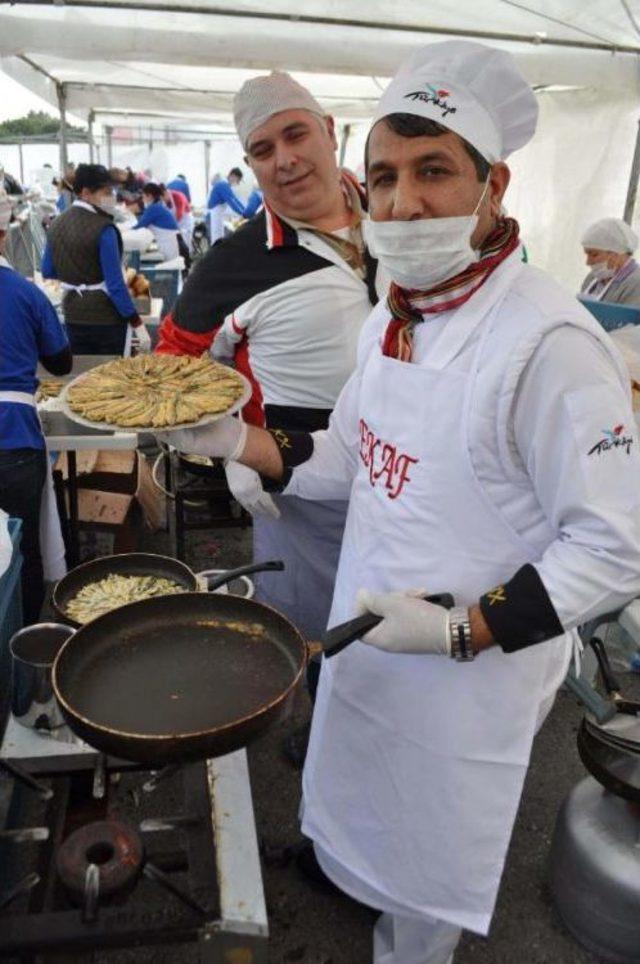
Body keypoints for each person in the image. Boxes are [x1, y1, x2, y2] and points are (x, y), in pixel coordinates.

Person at [162, 41, 640, 963]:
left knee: (428, 856)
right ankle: (348, 874)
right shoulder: (397, 311)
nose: (402, 202)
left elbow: (615, 546)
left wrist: (461, 631)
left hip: (472, 668)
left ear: (492, 183)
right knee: (358, 783)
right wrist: (238, 442)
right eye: (383, 178)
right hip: (367, 624)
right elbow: (348, 451)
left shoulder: (548, 342)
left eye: (434, 173)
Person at [156, 70, 381, 649]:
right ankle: (315, 735)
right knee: (311, 629)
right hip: (302, 485)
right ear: (251, 166)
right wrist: (232, 441)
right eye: (263, 150)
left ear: (330, 133)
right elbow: (167, 370)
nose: (284, 159)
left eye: (295, 135)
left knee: (405, 626)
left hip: (417, 472)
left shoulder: (401, 218)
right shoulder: (233, 262)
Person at [0, 190, 72, 624]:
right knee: (23, 550)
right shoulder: (25, 295)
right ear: (5, 235)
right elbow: (61, 361)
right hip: (14, 440)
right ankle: (23, 661)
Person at [42, 164, 151, 355]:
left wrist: (75, 271)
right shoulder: (104, 229)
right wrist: (137, 323)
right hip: (105, 319)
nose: (112, 197)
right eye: (106, 191)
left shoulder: (56, 224)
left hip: (73, 315)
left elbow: (47, 270)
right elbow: (115, 285)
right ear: (85, 192)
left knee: (82, 376)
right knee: (108, 378)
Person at [580, 217, 640, 304]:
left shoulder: (636, 284)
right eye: (587, 254)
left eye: (594, 255)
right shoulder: (592, 278)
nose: (588, 262)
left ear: (616, 254)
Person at [133, 182, 189, 264]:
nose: (142, 199)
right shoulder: (158, 206)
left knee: (171, 268)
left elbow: (140, 226)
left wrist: (125, 231)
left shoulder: (154, 208)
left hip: (168, 244)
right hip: (171, 242)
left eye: (143, 196)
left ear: (150, 196)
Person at [206, 167, 246, 243]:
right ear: (233, 175)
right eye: (238, 180)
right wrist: (244, 214)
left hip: (218, 215)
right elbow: (232, 203)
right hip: (214, 214)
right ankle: (215, 255)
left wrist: (246, 211)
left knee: (219, 237)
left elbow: (235, 200)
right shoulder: (223, 185)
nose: (237, 183)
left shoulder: (226, 185)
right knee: (216, 238)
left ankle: (218, 254)